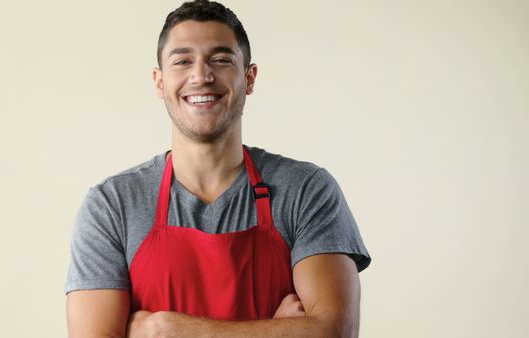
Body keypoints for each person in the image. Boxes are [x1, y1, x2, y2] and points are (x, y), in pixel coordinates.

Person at [65, 0, 371, 337]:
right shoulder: (113, 205)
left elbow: (334, 332)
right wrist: (277, 330)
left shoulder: (306, 189)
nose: (201, 75)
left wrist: (166, 329)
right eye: (183, 61)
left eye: (221, 60)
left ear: (249, 78)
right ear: (159, 81)